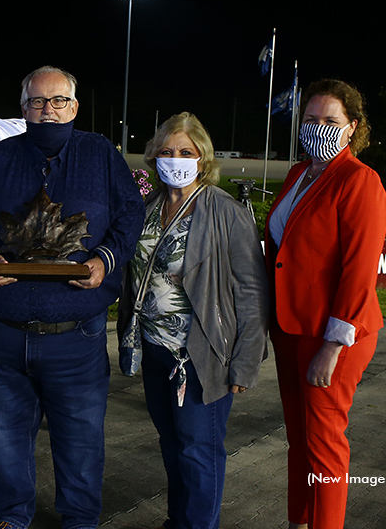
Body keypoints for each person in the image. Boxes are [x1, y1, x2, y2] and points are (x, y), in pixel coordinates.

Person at [0, 65, 144, 529]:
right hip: (2, 334)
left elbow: (130, 214)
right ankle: (14, 515)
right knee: (6, 436)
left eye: (58, 101)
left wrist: (106, 261)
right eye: (37, 102)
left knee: (79, 438)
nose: (48, 110)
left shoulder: (100, 154)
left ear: (75, 106)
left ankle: (79, 518)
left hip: (76, 334)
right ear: (23, 109)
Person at [117, 112, 268, 529]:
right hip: (155, 352)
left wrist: (245, 360)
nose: (175, 158)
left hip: (202, 356)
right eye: (166, 151)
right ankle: (178, 521)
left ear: (203, 157)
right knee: (172, 445)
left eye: (186, 151)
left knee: (199, 451)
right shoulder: (147, 210)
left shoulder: (226, 212)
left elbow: (252, 291)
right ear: (153, 156)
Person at [264, 79, 386, 529]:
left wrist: (333, 346)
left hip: (333, 335)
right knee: (300, 440)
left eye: (329, 120)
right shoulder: (300, 173)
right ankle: (299, 522)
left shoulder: (359, 181)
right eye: (311, 119)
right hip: (291, 327)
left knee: (324, 444)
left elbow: (359, 271)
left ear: (351, 127)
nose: (318, 127)